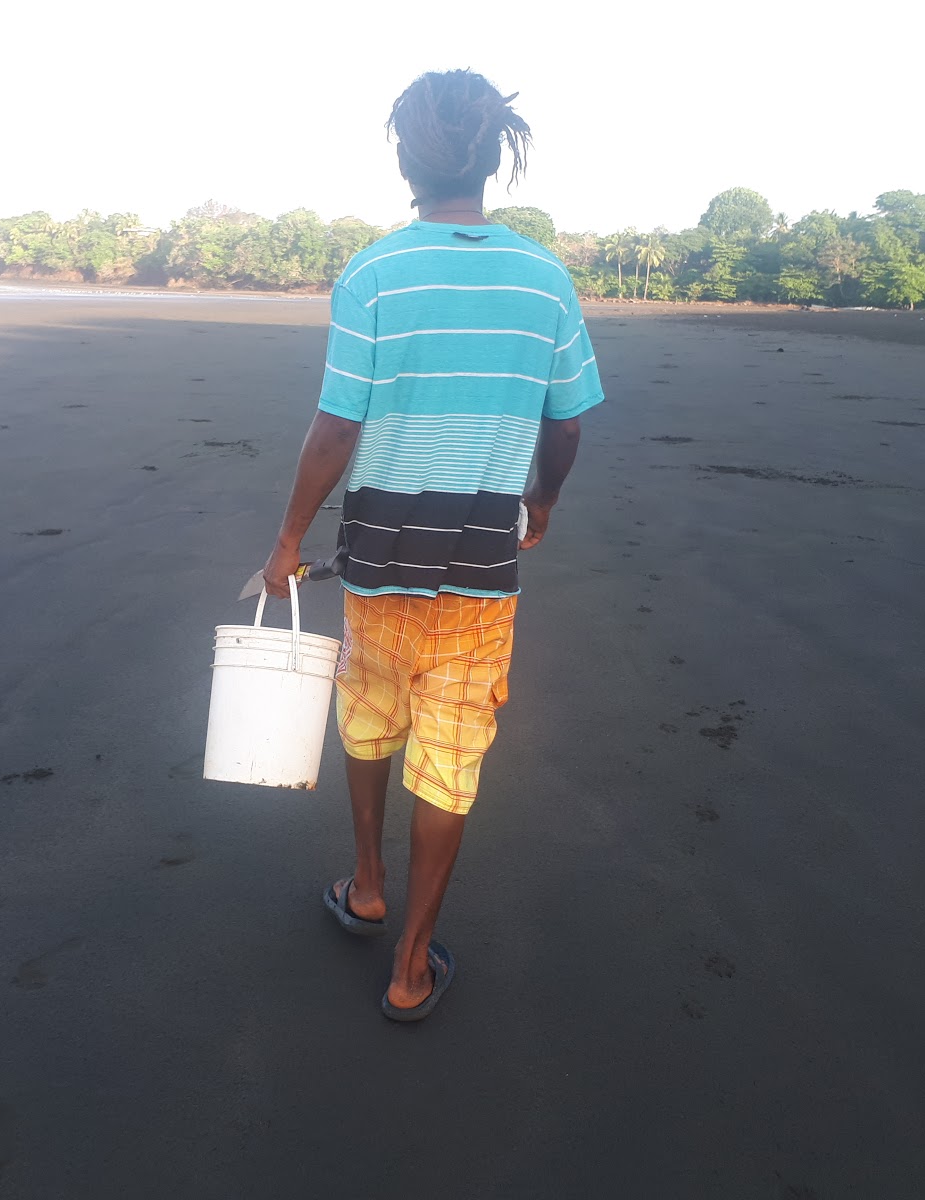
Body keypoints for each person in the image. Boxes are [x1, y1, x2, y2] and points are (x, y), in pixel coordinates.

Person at [259, 69, 603, 1021]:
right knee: (451, 750)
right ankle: (411, 967)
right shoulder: (545, 279)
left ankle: (367, 884)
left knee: (369, 713)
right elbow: (568, 424)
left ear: (406, 160)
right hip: (479, 567)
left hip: (376, 555)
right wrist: (543, 502)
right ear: (493, 159)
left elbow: (336, 425)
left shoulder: (373, 272)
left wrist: (289, 537)